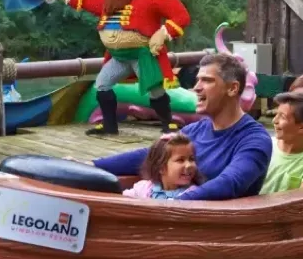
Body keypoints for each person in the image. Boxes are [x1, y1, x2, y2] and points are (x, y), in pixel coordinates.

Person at [43, 0, 191, 136]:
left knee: (155, 90)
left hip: (142, 55)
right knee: (102, 85)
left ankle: (168, 123)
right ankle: (110, 126)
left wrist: (162, 33)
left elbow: (181, 17)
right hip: (118, 56)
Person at [90, 53, 273, 201]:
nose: (196, 87)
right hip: (178, 218)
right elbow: (150, 155)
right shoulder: (195, 130)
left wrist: (175, 203)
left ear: (233, 88)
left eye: (207, 81)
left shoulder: (254, 139)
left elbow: (230, 182)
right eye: (197, 80)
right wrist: (93, 166)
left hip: (221, 230)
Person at [259, 91, 303, 195]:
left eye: (283, 117)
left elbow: (302, 203)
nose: (274, 121)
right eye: (276, 114)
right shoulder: (264, 145)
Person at [123, 132, 203, 199]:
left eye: (191, 159)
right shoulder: (144, 188)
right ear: (161, 167)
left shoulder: (193, 194)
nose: (189, 165)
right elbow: (124, 200)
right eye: (180, 160)